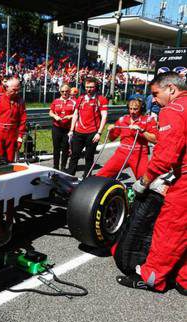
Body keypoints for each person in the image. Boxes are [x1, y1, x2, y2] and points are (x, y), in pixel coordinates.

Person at [117, 72, 187, 295]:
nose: (154, 100)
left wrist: (144, 182)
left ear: (171, 90)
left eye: (156, 94)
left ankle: (152, 278)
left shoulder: (173, 110)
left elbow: (166, 156)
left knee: (169, 229)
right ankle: (184, 279)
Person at [96, 98, 157, 179]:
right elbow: (111, 138)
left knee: (144, 181)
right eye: (130, 109)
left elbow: (155, 139)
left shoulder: (148, 120)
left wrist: (141, 131)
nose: (132, 111)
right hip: (122, 153)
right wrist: (111, 130)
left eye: (135, 109)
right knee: (101, 174)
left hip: (139, 154)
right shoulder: (122, 119)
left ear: (141, 109)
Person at [67, 77, 108, 177]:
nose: (89, 89)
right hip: (78, 132)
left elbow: (104, 116)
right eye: (87, 87)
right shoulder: (80, 98)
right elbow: (76, 114)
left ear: (96, 87)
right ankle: (70, 176)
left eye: (91, 87)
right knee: (74, 156)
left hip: (92, 133)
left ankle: (87, 177)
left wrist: (99, 133)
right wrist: (71, 130)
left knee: (89, 157)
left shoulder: (101, 99)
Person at [0, 77, 27, 162]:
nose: (16, 92)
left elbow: (23, 120)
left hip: (12, 134)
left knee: (10, 160)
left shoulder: (20, 101)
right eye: (14, 90)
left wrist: (20, 136)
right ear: (7, 87)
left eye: (18, 90)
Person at [49, 84, 76, 170]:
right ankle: (55, 166)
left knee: (65, 148)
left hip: (67, 129)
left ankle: (63, 167)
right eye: (62, 91)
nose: (64, 93)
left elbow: (77, 114)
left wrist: (70, 116)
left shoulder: (73, 102)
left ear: (69, 92)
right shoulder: (55, 101)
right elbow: (50, 112)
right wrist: (55, 116)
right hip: (56, 127)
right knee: (56, 147)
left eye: (66, 91)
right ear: (60, 92)